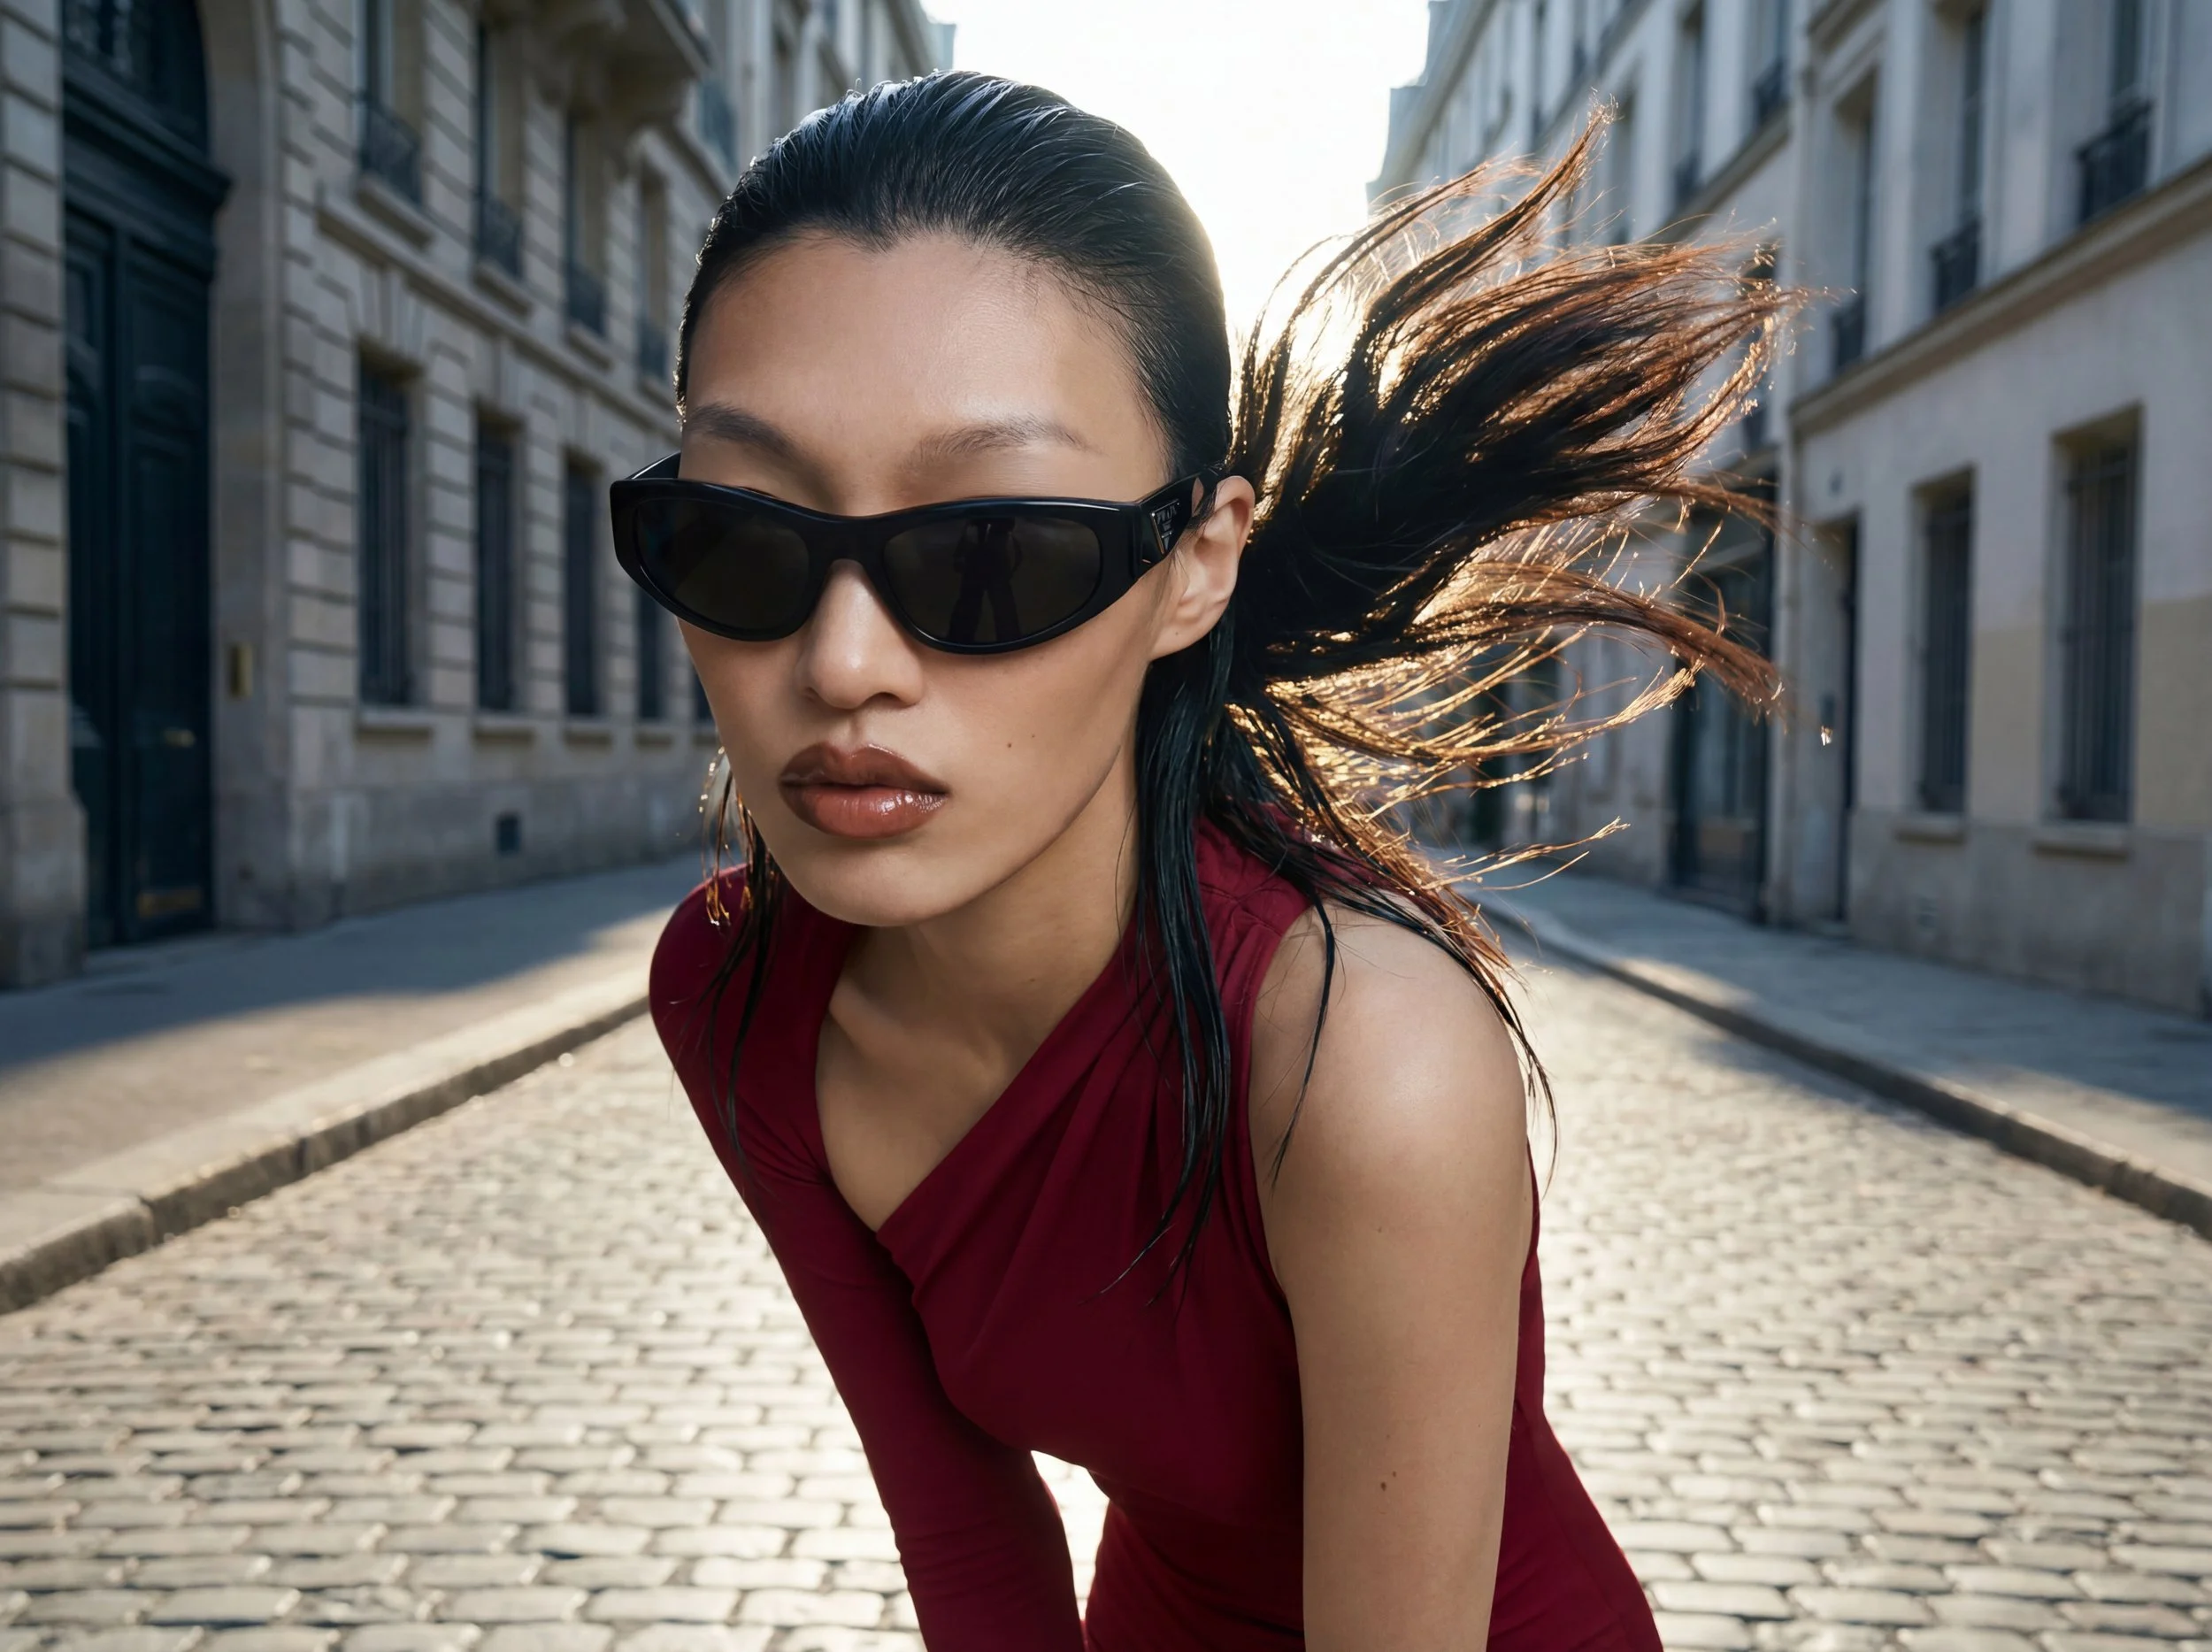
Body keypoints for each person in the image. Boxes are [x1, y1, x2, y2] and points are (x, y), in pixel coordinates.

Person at [624, 70, 1778, 1652]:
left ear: (1194, 566)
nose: (841, 665)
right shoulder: (733, 985)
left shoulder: (1363, 1057)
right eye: (739, 533)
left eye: (991, 550)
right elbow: (966, 1533)